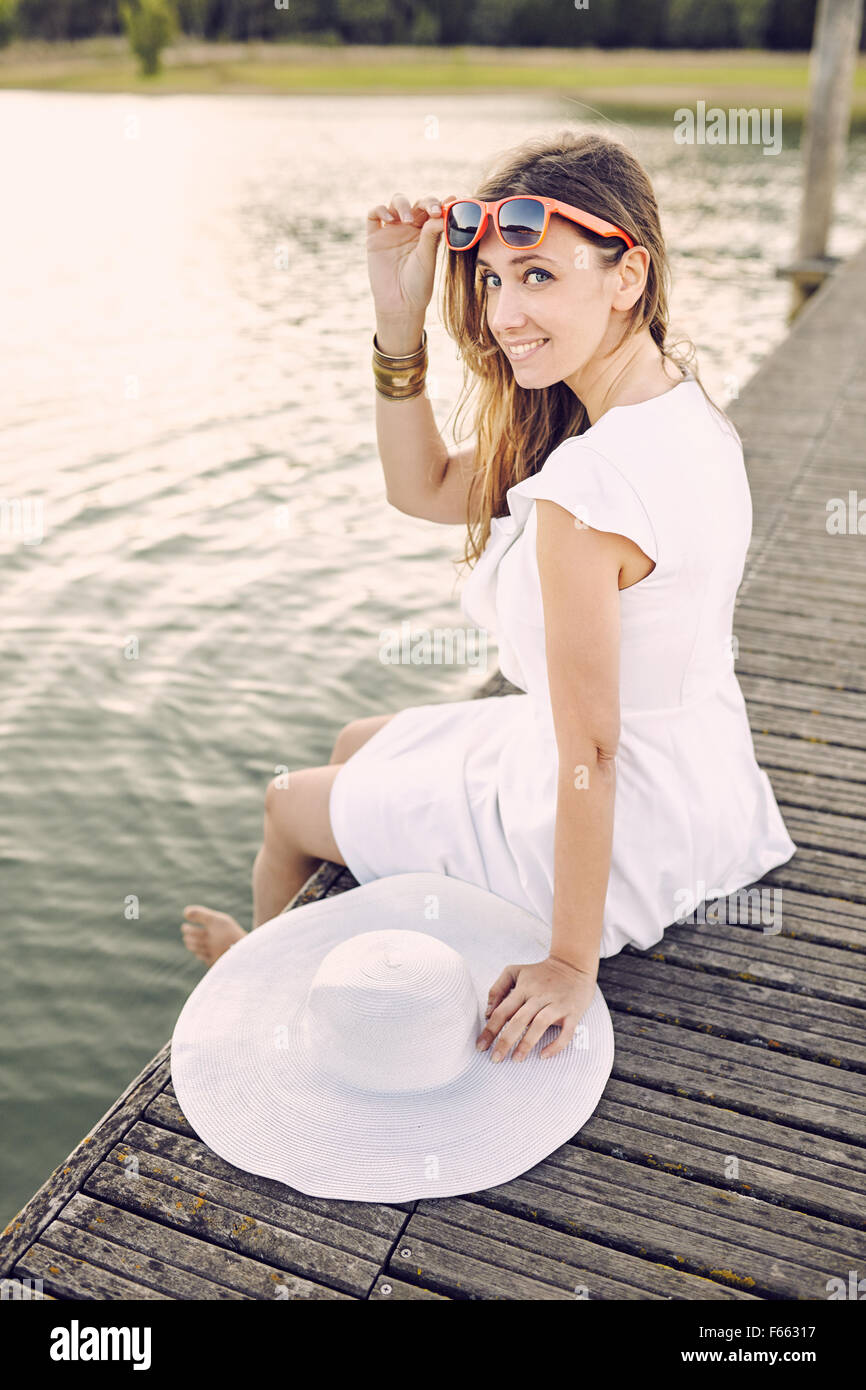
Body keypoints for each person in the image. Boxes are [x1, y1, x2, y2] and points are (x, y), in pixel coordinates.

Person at [182, 129, 796, 1066]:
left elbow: (589, 747)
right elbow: (423, 486)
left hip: (609, 819)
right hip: (698, 781)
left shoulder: (587, 492)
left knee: (283, 803)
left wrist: (567, 959)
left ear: (627, 274)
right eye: (495, 282)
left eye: (539, 276)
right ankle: (286, 945)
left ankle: (259, 988)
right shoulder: (679, 408)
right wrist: (400, 325)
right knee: (355, 743)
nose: (506, 312)